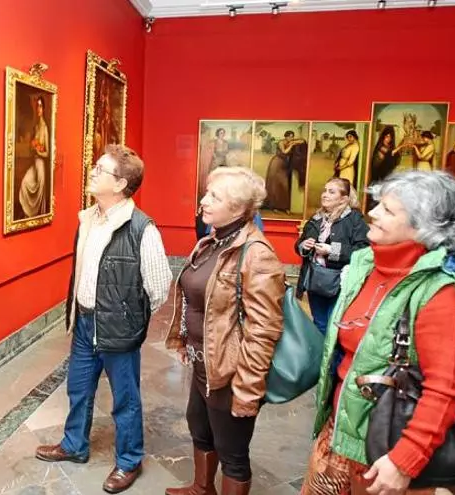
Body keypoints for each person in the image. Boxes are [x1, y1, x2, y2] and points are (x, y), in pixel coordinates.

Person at [303, 171, 455, 494]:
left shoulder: (443, 293)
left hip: (388, 445)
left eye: (388, 210)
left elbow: (445, 390)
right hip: (338, 434)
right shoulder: (365, 265)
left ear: (424, 226)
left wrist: (405, 460)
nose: (373, 213)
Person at [35, 144, 172, 494]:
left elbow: (159, 287)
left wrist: (128, 319)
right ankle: (74, 445)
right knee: (78, 388)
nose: (92, 173)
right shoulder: (88, 219)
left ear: (121, 184)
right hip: (85, 323)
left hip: (118, 330)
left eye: (100, 170)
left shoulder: (142, 229)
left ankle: (129, 460)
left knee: (125, 399)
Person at [165, 166, 285, 495]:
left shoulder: (256, 254)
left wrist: (248, 389)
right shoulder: (212, 241)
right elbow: (197, 300)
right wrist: (184, 340)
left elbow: (263, 331)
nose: (203, 200)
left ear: (238, 207)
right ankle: (202, 488)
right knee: (200, 429)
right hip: (203, 362)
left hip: (231, 372)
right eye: (206, 193)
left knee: (232, 452)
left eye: (214, 196)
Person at [295, 178, 370, 334]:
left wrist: (331, 250)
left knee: (334, 326)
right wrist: (304, 245)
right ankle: (319, 349)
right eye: (325, 190)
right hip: (315, 280)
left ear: (343, 199)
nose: (325, 195)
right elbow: (299, 245)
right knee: (319, 324)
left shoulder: (355, 220)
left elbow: (363, 251)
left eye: (331, 192)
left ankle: (330, 351)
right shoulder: (316, 218)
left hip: (340, 282)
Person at [19, 96, 49, 217]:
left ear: (44, 109)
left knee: (39, 194)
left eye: (40, 106)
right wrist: (33, 147)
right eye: (37, 106)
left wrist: (38, 152)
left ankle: (37, 217)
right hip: (34, 163)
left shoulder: (45, 128)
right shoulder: (36, 127)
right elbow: (32, 146)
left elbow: (47, 153)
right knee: (24, 183)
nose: (38, 109)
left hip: (40, 165)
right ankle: (29, 216)